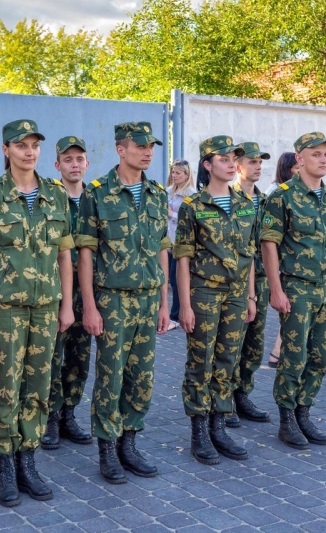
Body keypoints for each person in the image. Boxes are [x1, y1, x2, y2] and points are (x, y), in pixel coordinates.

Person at [0, 119, 74, 507]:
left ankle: (28, 461)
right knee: (6, 388)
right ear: (6, 150)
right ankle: (6, 468)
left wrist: (67, 305)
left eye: (34, 145)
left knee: (38, 388)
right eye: (21, 145)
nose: (29, 152)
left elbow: (65, 254)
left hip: (45, 308)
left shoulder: (56, 195)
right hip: (4, 308)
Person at [77, 121, 170, 484]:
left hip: (148, 299)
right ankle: (107, 448)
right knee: (110, 377)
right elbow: (86, 252)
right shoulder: (97, 193)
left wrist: (165, 303)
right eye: (140, 145)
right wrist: (89, 304)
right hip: (112, 299)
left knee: (141, 377)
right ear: (121, 149)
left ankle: (129, 443)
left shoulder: (157, 193)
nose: (147, 151)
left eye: (151, 146)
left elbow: (162, 249)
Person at [175, 136, 256, 465]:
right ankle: (198, 432)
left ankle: (218, 426)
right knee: (201, 363)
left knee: (227, 362)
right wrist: (185, 305)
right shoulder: (193, 207)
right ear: (207, 165)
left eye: (233, 157)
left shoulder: (246, 204)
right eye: (222, 158)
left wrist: (251, 296)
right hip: (204, 293)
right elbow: (182, 258)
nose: (230, 162)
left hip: (237, 294)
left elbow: (249, 254)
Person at [260, 132, 326, 450]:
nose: (323, 159)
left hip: (324, 289)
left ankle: (304, 411)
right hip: (296, 288)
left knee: (320, 357)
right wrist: (275, 289)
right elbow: (269, 243)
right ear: (300, 158)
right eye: (316, 154)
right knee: (294, 356)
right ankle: (287, 419)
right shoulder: (282, 196)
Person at [41, 136, 94, 450]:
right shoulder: (48, 198)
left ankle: (70, 415)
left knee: (79, 356)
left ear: (86, 163)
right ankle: (50, 416)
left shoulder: (97, 198)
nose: (74, 165)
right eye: (68, 159)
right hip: (54, 290)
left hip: (86, 290)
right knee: (51, 356)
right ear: (57, 164)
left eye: (80, 159)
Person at [229, 142, 272, 426]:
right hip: (233, 281)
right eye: (252, 161)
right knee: (230, 344)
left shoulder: (266, 200)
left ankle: (243, 394)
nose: (257, 166)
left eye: (260, 162)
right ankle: (224, 400)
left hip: (262, 281)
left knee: (254, 343)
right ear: (237, 164)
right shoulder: (225, 197)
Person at [266, 152, 298, 368]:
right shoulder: (276, 193)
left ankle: (279, 353)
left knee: (291, 310)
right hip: (280, 265)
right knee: (289, 310)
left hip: (290, 263)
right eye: (296, 168)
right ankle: (277, 354)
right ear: (287, 170)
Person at [166, 160, 196, 331]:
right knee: (169, 277)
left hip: (181, 242)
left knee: (177, 278)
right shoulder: (168, 191)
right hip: (168, 241)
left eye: (178, 173)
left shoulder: (190, 194)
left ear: (186, 175)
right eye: (173, 172)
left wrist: (172, 214)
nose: (174, 175)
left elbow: (191, 218)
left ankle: (176, 315)